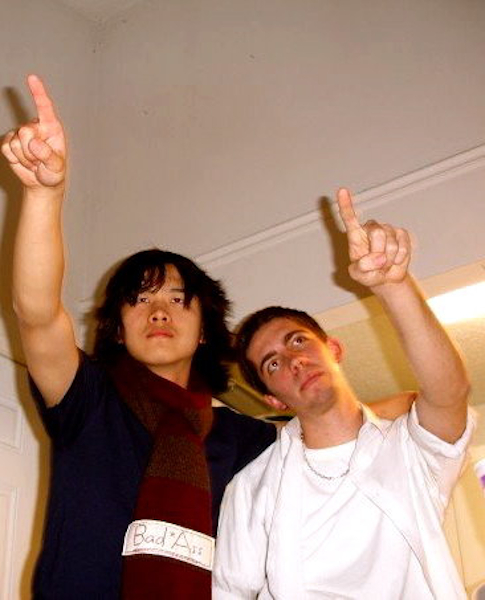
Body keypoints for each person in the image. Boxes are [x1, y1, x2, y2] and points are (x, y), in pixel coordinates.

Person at [2, 76, 413, 599]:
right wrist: (44, 193)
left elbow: (352, 421)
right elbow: (37, 313)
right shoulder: (88, 398)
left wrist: (423, 407)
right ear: (117, 329)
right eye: (140, 299)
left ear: (203, 332)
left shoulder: (241, 439)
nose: (158, 311)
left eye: (178, 300)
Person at [213, 188, 474, 599]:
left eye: (298, 341)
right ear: (274, 401)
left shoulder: (408, 449)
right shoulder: (251, 488)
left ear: (333, 348)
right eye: (273, 364)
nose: (293, 360)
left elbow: (449, 393)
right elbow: (229, 593)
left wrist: (394, 286)